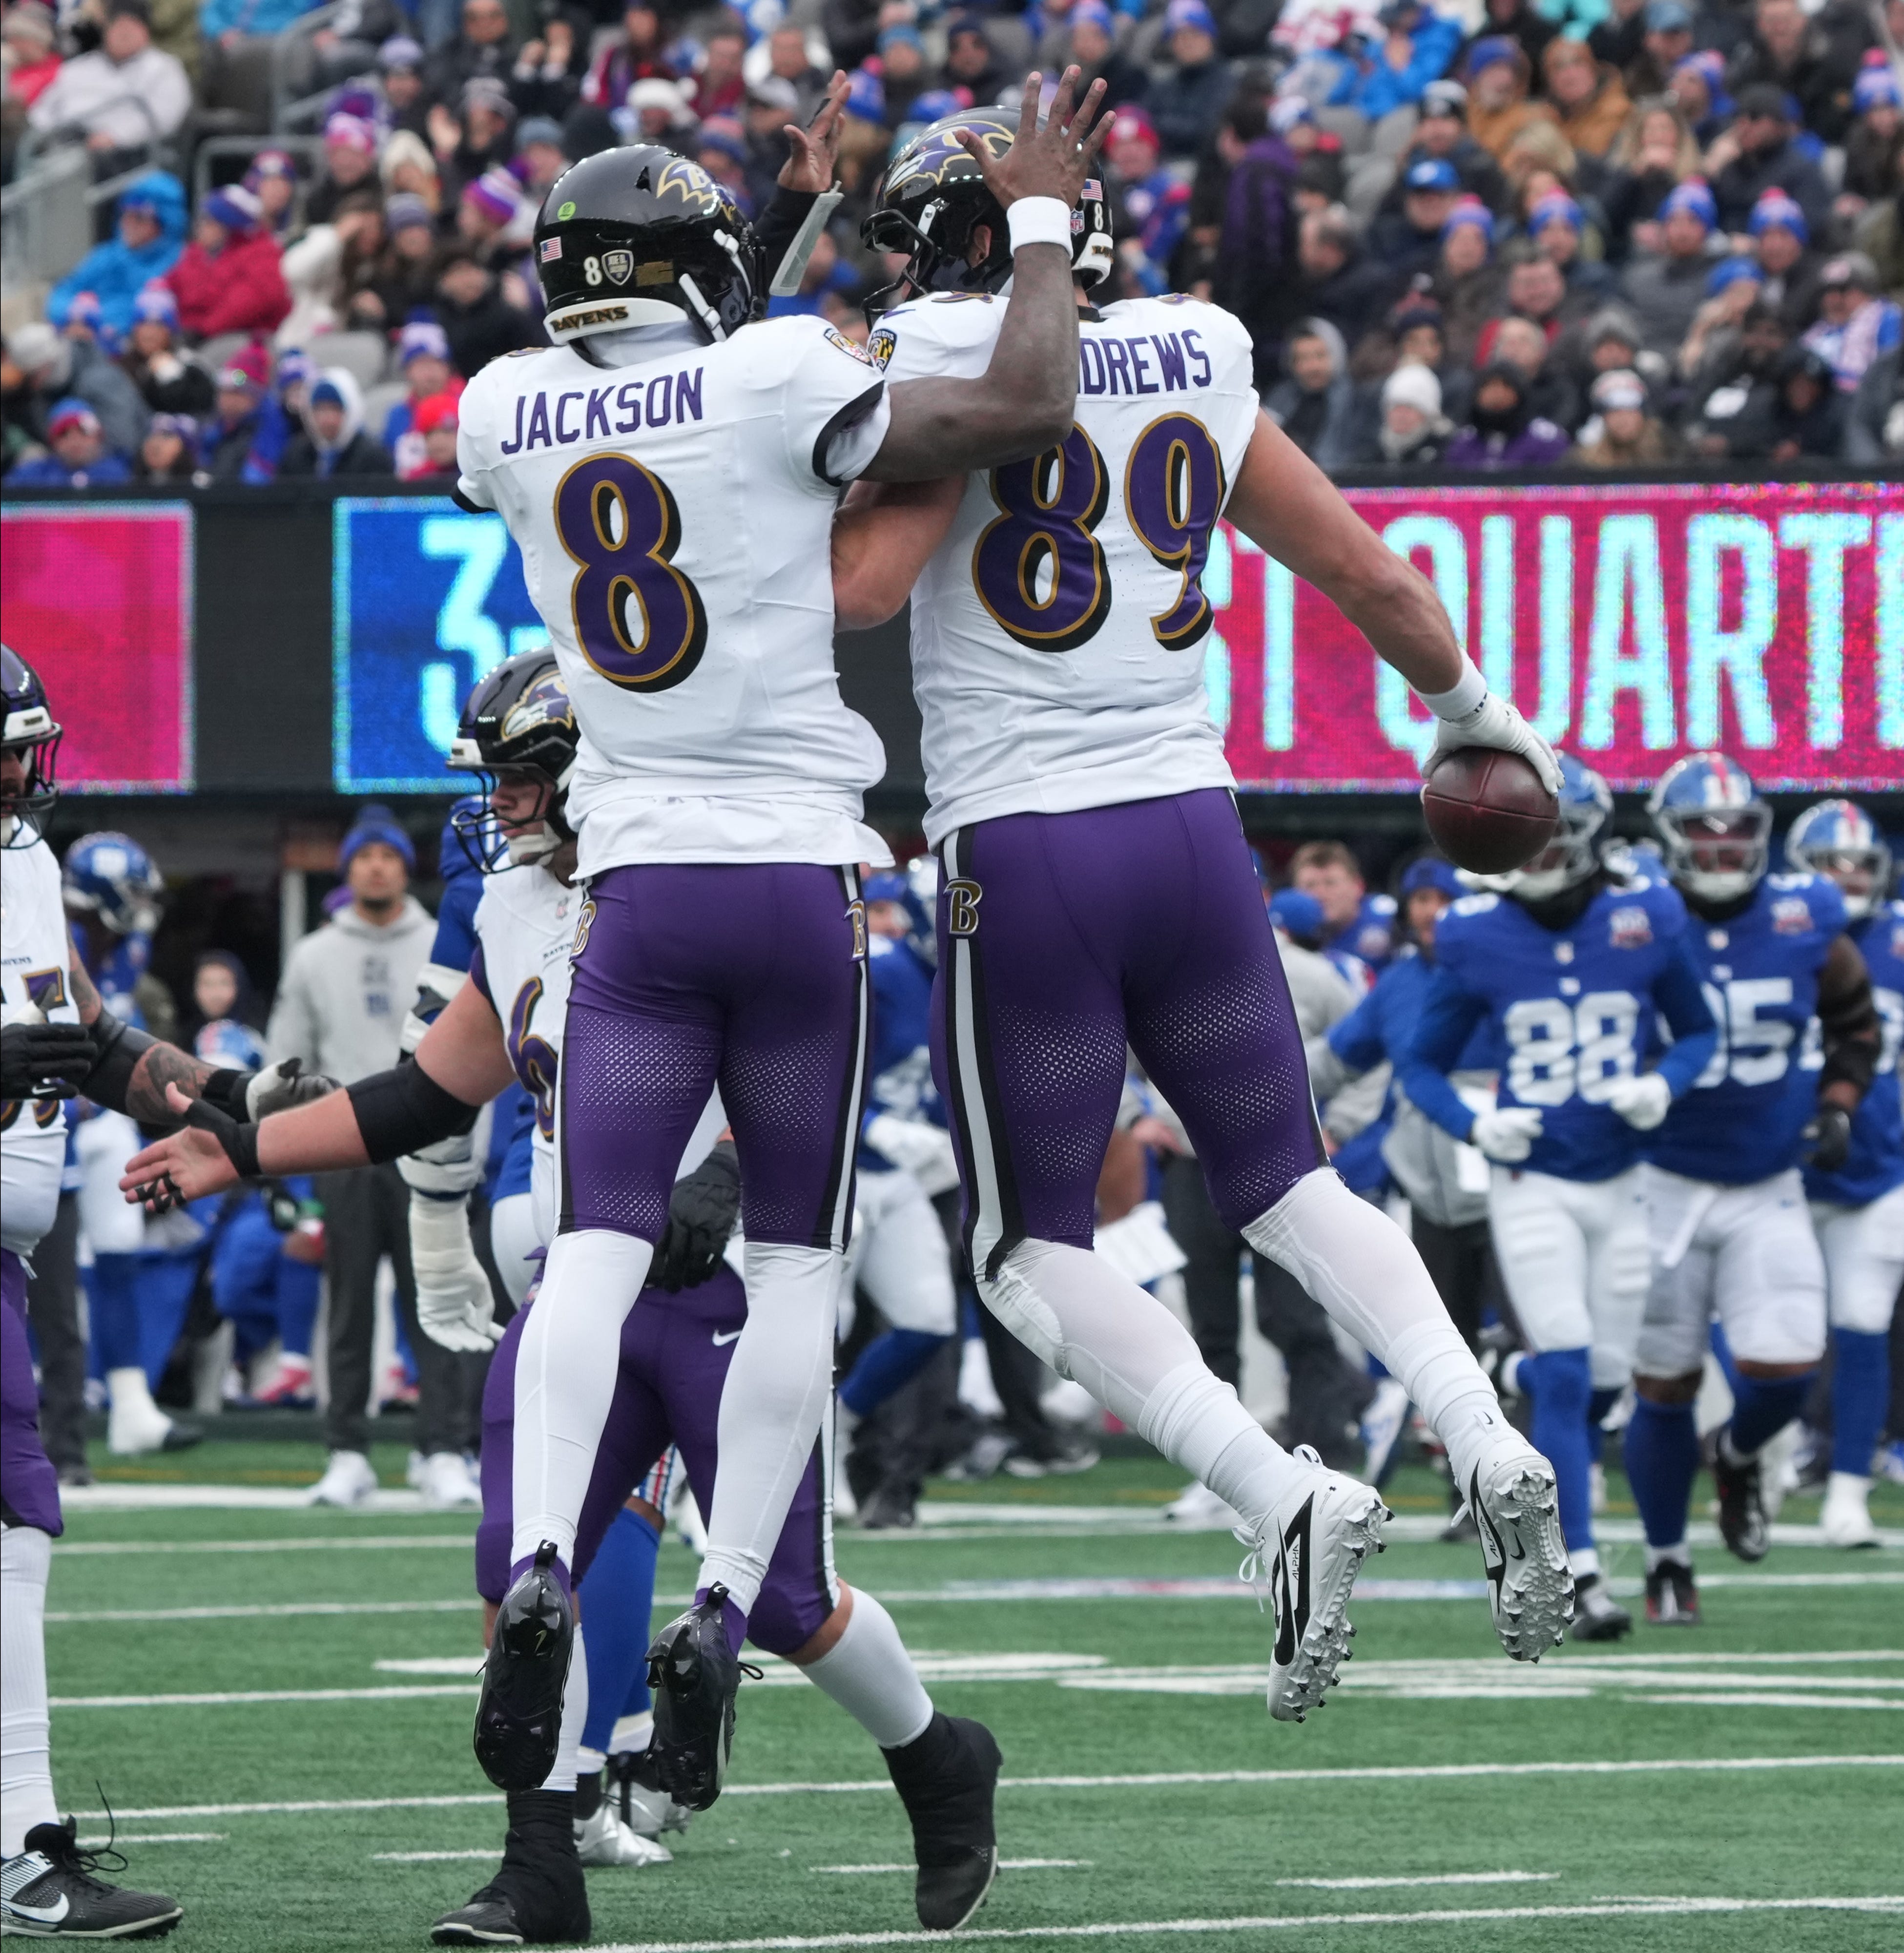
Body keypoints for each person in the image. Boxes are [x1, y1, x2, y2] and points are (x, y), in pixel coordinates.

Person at [841, 102, 1578, 1714]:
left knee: (1029, 1254)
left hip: (1027, 848)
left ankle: (1277, 1492)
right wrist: (1479, 717)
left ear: (967, 236)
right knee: (1289, 1182)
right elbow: (1374, 578)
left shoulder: (938, 352)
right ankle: (1478, 1425)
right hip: (1193, 825)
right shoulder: (1194, 344)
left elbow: (864, 577)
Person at [440, 75, 1111, 1806]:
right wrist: (1038, 217)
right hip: (800, 876)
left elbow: (675, 386)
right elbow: (1023, 398)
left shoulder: (504, 405)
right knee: (795, 1270)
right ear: (702, 268)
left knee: (592, 1242)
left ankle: (534, 1564)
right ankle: (729, 1600)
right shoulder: (777, 367)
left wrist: (781, 232)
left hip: (640, 881)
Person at [119, 656, 1010, 1942]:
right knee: (518, 1574)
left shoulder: (720, 874)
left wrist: (730, 1164)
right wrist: (241, 1147)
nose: (507, 806)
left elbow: (817, 1056)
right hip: (589, 1283)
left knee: (783, 1599)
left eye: (527, 777)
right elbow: (429, 1090)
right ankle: (540, 1862)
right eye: (501, 781)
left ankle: (936, 1758)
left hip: (721, 1287)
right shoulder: (518, 907)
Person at [1, 646, 321, 1936]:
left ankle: (22, 1844)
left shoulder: (26, 865)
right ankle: (21, 1847)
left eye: (33, 743)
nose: (30, 770)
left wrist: (227, 1099)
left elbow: (100, 1039)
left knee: (19, 1529)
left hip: (6, 1258)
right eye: (8, 746)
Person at [1402, 756, 1719, 1639]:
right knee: (1578, 1373)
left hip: (1626, 1179)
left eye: (1547, 845)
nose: (1535, 864)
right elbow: (1421, 1064)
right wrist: (1473, 1122)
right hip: (1532, 1178)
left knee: (1606, 1381)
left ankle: (1521, 1374)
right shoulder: (1472, 931)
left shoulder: (1649, 912)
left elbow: (1698, 1030)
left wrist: (1667, 1081)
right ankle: (1578, 1574)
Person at [1624, 756, 1880, 1623]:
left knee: (1786, 1367)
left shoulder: (1806, 914)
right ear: (1670, 835)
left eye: (1738, 828)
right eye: (1705, 827)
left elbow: (1856, 1024)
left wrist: (1840, 1105)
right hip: (1655, 1177)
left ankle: (1734, 1457)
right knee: (1663, 1380)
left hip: (1767, 1176)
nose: (1724, 845)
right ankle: (1667, 1560)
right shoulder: (1637, 914)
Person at [266, 805, 475, 1509]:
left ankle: (442, 1448)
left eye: (387, 855)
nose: (376, 867)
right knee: (349, 1303)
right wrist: (280, 1161)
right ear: (347, 868)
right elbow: (286, 1063)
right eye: (363, 856)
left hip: (432, 1142)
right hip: (344, 1145)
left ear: (403, 865)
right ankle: (348, 1450)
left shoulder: (446, 939)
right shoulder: (314, 953)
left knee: (437, 1304)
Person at [1784, 802, 1904, 1550]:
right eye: (1833, 863)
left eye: (1859, 862)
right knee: (1773, 1336)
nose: (1850, 876)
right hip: (1778, 1168)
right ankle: (1768, 1452)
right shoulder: (1773, 930)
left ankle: (1849, 1493)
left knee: (1863, 1328)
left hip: (1879, 1168)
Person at [25, 0, 189, 164]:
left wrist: (117, 136)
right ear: (107, 30)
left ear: (145, 31)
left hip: (125, 155)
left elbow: (165, 116)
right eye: (118, 26)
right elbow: (43, 111)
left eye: (132, 27)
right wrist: (35, 135)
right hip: (63, 143)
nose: (124, 33)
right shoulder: (78, 68)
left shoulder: (163, 68)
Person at [47, 173, 187, 340]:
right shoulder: (108, 255)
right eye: (125, 214)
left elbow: (143, 313)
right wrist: (75, 315)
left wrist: (96, 322)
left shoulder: (179, 262)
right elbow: (64, 292)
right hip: (81, 334)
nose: (128, 223)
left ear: (165, 223)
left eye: (139, 218)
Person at [163, 184, 291, 343]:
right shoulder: (197, 253)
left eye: (209, 222)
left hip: (243, 339)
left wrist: (204, 330)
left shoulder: (262, 254)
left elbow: (246, 304)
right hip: (191, 334)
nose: (201, 228)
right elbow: (170, 284)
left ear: (228, 228)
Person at [278, 369, 392, 476]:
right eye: (320, 409)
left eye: (335, 409)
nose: (327, 419)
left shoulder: (372, 456)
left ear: (351, 411)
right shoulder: (297, 454)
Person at [6, 399, 133, 485]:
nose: (75, 441)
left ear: (98, 437)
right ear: (53, 442)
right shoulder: (31, 475)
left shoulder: (118, 474)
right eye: (64, 434)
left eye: (83, 432)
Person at [1375, 361, 1452, 464]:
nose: (1401, 415)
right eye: (1396, 407)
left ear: (1427, 415)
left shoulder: (1445, 454)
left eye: (1409, 408)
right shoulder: (1373, 456)